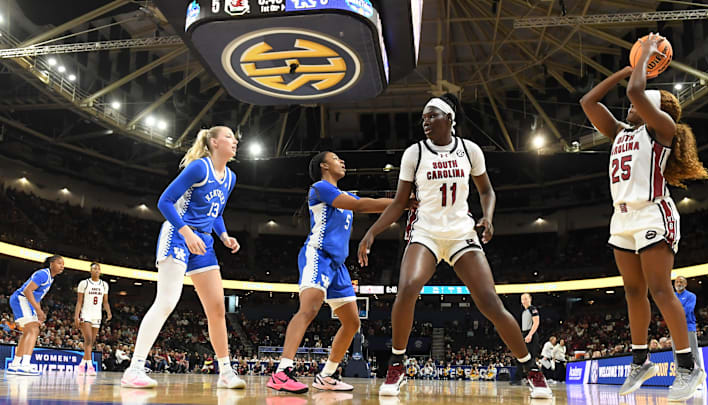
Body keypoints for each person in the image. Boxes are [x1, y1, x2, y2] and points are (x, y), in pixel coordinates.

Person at [357, 93, 551, 398]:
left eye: (432, 116)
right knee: (407, 287)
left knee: (490, 302)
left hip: (461, 231)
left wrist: (487, 218)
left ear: (449, 118)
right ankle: (397, 365)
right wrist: (372, 232)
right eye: (423, 118)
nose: (426, 122)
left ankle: (532, 370)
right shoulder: (414, 153)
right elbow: (398, 203)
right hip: (426, 231)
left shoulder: (469, 150)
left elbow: (486, 191)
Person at [579, 33, 708, 401]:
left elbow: (637, 92)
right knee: (633, 291)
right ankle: (641, 360)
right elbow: (587, 101)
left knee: (660, 289)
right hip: (621, 219)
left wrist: (645, 58)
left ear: (652, 109)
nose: (628, 107)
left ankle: (688, 367)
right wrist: (626, 68)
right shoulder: (621, 133)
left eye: (636, 106)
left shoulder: (662, 132)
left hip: (653, 212)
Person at [121, 126, 245, 390]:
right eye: (228, 137)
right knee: (166, 301)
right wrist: (187, 233)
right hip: (178, 235)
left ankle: (225, 371)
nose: (234, 141)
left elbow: (217, 213)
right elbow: (165, 202)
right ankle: (134, 369)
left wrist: (223, 236)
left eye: (234, 138)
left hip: (204, 242)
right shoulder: (200, 168)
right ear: (213, 142)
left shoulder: (231, 177)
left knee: (217, 308)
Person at [267, 151, 401, 393]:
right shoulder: (319, 188)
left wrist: (401, 204)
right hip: (317, 255)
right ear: (323, 166)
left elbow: (364, 205)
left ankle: (326, 376)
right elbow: (361, 204)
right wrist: (399, 201)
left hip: (337, 265)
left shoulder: (344, 195)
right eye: (336, 158)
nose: (343, 161)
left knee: (352, 323)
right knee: (308, 310)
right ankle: (282, 372)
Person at [7, 255, 65, 375]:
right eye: (59, 263)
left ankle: (15, 364)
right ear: (51, 263)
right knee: (33, 330)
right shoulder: (43, 274)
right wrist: (38, 311)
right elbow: (27, 291)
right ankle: (25, 365)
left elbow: (36, 296)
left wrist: (38, 310)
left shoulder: (50, 278)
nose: (62, 266)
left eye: (63, 264)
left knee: (28, 332)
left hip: (27, 302)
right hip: (21, 299)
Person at [74, 262, 111, 376]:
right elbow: (79, 301)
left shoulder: (104, 285)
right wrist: (76, 315)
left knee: (91, 342)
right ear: (90, 271)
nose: (96, 270)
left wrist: (109, 312)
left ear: (100, 271)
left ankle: (81, 364)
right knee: (88, 340)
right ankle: (89, 366)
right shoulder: (84, 283)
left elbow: (105, 301)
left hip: (97, 315)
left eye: (98, 269)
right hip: (86, 314)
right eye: (94, 268)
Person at [672, 276, 704, 386]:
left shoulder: (691, 296)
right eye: (676, 281)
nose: (678, 283)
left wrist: (674, 312)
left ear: (685, 284)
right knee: (676, 353)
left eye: (681, 281)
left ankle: (698, 380)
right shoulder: (672, 296)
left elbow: (688, 310)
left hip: (688, 327)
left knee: (693, 352)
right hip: (674, 328)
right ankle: (680, 380)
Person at [520, 293, 540, 360]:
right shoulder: (524, 311)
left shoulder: (532, 309)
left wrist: (530, 334)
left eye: (526, 299)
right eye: (522, 299)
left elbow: (536, 322)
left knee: (531, 357)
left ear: (530, 299)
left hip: (530, 334)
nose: (524, 301)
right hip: (524, 333)